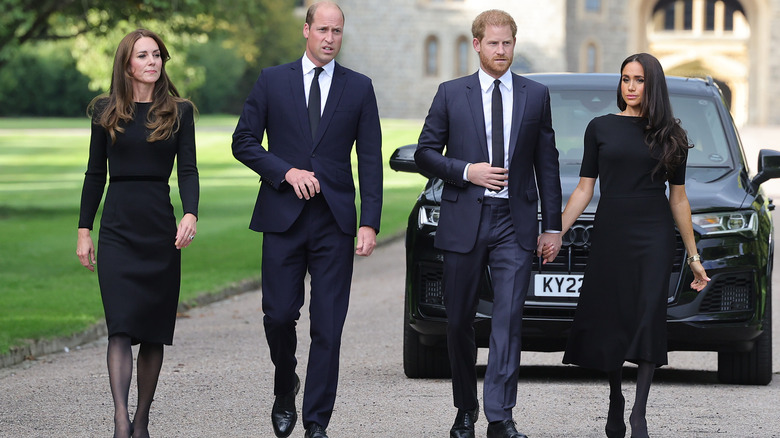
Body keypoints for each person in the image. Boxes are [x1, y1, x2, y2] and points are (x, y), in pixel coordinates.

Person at [231, 2, 382, 437]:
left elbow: (369, 160)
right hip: (283, 218)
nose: (330, 38)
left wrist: (369, 221)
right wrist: (285, 172)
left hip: (334, 222)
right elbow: (243, 141)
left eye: (337, 31)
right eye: (323, 30)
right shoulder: (272, 80)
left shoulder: (359, 88)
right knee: (278, 316)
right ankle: (285, 383)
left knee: (328, 326)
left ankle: (317, 423)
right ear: (306, 30)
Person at [414, 9, 562, 438]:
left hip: (514, 224)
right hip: (464, 219)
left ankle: (500, 416)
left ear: (514, 44)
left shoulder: (536, 95)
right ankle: (465, 409)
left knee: (508, 320)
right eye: (493, 43)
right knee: (458, 320)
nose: (501, 51)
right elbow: (425, 153)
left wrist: (550, 226)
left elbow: (546, 165)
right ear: (476, 45)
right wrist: (466, 171)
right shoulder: (450, 93)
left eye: (508, 43)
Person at [556, 53, 710, 438]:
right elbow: (584, 188)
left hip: (654, 235)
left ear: (652, 84)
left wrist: (694, 257)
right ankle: (615, 397)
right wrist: (555, 231)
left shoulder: (672, 135)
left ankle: (639, 412)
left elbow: (679, 199)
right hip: (611, 232)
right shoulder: (600, 128)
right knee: (613, 316)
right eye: (626, 78)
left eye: (639, 80)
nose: (630, 86)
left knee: (647, 316)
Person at [76, 29, 198, 438]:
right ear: (126, 63)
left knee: (152, 330)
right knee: (121, 326)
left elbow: (188, 170)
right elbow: (95, 174)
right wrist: (83, 230)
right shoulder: (105, 111)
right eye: (143, 55)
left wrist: (191, 213)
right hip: (117, 228)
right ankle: (121, 420)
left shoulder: (179, 111)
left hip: (159, 228)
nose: (152, 61)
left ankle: (142, 419)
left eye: (157, 55)